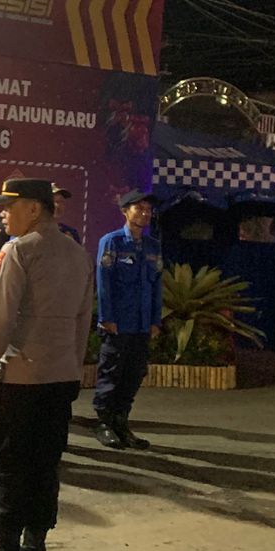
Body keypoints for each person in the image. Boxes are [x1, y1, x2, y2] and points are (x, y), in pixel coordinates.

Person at [0, 179, 95, 551]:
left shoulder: (18, 250)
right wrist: (72, 365)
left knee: (9, 465)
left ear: (34, 209)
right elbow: (83, 319)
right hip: (60, 376)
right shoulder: (78, 253)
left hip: (20, 376)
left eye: (9, 206)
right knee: (44, 465)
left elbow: (1, 318)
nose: (3, 213)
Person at [93, 189, 164, 450]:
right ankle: (104, 423)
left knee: (134, 374)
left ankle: (122, 422)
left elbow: (156, 286)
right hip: (118, 322)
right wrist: (106, 317)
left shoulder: (153, 246)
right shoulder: (112, 242)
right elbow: (104, 283)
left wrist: (155, 320)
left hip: (142, 323)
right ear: (125, 211)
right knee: (111, 371)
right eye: (139, 209)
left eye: (148, 210)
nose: (145, 214)